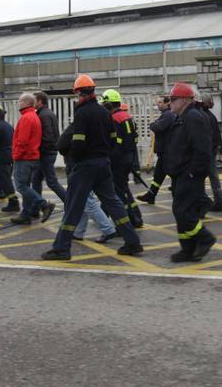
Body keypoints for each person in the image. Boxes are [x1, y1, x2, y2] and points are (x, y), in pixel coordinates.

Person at [40, 75, 144, 261]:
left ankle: (61, 248)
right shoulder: (105, 112)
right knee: (113, 203)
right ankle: (132, 241)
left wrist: (76, 158)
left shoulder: (82, 113)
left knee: (73, 206)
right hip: (103, 164)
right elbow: (113, 139)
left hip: (85, 165)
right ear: (94, 91)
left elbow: (78, 142)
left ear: (78, 93)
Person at [158, 81, 218, 262]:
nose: (171, 103)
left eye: (174, 99)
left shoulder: (193, 117)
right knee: (182, 211)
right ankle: (188, 249)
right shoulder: (182, 116)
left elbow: (203, 149)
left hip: (189, 174)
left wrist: (192, 172)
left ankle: (205, 238)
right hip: (181, 173)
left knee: (183, 211)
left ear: (184, 100)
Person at [102, 88, 145, 228]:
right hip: (129, 158)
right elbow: (133, 138)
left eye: (104, 104)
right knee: (123, 189)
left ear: (109, 104)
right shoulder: (127, 116)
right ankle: (136, 216)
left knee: (118, 192)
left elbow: (116, 142)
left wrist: (109, 156)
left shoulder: (114, 118)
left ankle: (133, 219)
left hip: (118, 160)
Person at [10, 92, 53, 225]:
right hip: (33, 157)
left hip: (24, 157)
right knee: (27, 185)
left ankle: (44, 205)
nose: (19, 103)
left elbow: (22, 141)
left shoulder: (26, 118)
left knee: (21, 186)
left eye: (20, 101)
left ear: (25, 103)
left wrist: (16, 156)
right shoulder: (34, 116)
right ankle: (26, 214)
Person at [31, 91, 68, 210]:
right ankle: (35, 208)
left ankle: (69, 202)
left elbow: (48, 136)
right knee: (36, 180)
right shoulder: (47, 113)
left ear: (40, 101)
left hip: (45, 153)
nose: (32, 102)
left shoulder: (44, 115)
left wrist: (36, 147)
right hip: (48, 152)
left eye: (34, 100)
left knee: (51, 181)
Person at [138, 96, 174, 204]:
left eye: (160, 102)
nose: (158, 104)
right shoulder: (166, 115)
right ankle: (151, 195)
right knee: (158, 175)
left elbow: (157, 127)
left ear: (167, 103)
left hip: (167, 152)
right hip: (164, 152)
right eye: (157, 102)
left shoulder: (167, 115)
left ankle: (200, 200)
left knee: (173, 176)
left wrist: (152, 124)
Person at [199, 96, 222, 213]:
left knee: (199, 178)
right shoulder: (211, 116)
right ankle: (219, 201)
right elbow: (217, 135)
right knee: (213, 176)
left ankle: (203, 204)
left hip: (205, 151)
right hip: (212, 150)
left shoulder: (201, 115)